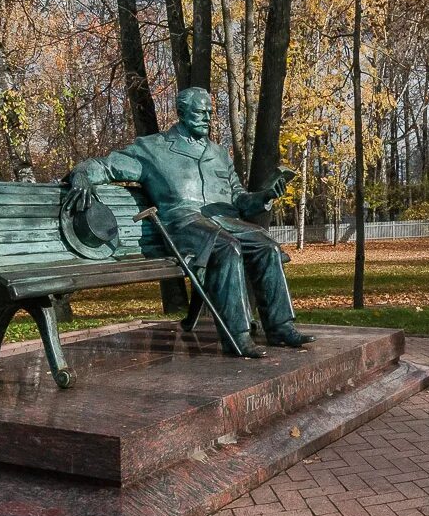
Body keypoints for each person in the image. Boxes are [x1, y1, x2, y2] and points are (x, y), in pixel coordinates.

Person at [61, 87, 313, 358]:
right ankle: (238, 336)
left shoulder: (219, 153)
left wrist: (264, 196)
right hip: (183, 222)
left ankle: (279, 326)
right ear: (181, 113)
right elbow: (106, 166)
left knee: (267, 247)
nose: (207, 118)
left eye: (209, 113)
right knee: (226, 247)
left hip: (225, 218)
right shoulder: (153, 149)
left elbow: (239, 199)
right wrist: (82, 176)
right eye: (200, 112)